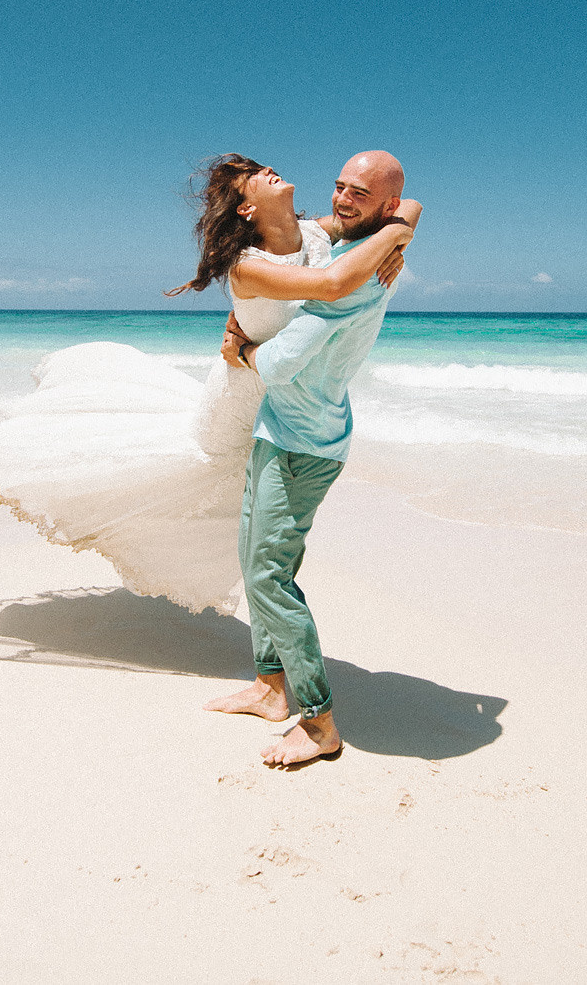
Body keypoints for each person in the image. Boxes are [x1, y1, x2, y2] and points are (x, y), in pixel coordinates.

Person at [0, 154, 416, 622]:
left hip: (274, 398)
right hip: (240, 397)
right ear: (247, 211)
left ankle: (271, 643)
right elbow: (330, 284)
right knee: (191, 474)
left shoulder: (318, 233)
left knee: (248, 524)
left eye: (259, 167)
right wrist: (393, 235)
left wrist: (402, 224)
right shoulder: (247, 264)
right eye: (251, 178)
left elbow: (407, 203)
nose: (265, 170)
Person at [201, 150, 413, 768]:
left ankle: (319, 722)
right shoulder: (334, 239)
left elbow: (281, 361)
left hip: (306, 442)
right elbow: (395, 213)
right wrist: (400, 224)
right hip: (280, 429)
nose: (343, 200)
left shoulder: (353, 272)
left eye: (359, 193)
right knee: (255, 554)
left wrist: (241, 352)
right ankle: (270, 687)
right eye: (339, 186)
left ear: (386, 204)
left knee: (269, 573)